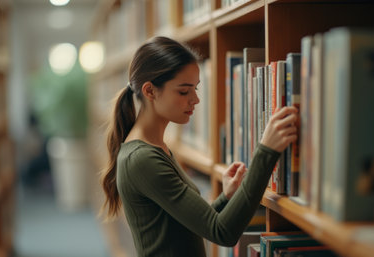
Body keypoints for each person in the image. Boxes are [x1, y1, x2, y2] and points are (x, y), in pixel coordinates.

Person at [100, 36, 298, 257]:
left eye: (195, 88)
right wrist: (266, 151)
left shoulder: (155, 148)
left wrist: (226, 198)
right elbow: (222, 232)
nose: (195, 99)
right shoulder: (142, 158)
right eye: (184, 91)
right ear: (150, 91)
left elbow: (188, 226)